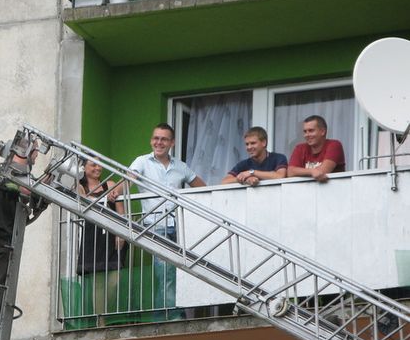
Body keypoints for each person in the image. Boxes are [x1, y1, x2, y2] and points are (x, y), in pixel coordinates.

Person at [127, 123, 206, 310]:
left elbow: (203, 187)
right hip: (156, 225)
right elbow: (128, 181)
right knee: (165, 272)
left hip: (180, 225)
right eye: (156, 138)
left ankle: (175, 312)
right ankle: (167, 315)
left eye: (163, 139)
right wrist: (117, 192)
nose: (158, 142)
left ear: (172, 142)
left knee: (183, 272)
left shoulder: (180, 166)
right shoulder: (142, 161)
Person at [0, 143, 47, 330]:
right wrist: (44, 186)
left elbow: (29, 200)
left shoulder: (8, 172)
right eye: (35, 151)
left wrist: (42, 193)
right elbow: (24, 191)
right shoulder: (11, 173)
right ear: (26, 151)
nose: (37, 156)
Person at [76, 159, 127, 315]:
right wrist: (104, 198)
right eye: (93, 165)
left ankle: (107, 313)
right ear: (84, 167)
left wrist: (121, 233)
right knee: (98, 283)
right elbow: (83, 205)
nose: (98, 168)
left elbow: (121, 212)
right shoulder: (79, 187)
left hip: (112, 236)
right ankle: (101, 321)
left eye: (99, 165)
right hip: (93, 237)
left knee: (114, 281)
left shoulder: (109, 185)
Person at [221, 126, 287, 186]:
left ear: (264, 142)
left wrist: (252, 173)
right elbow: (224, 181)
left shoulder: (278, 158)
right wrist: (245, 178)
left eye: (253, 143)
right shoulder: (244, 164)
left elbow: (280, 176)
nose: (249, 147)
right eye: (247, 144)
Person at [288, 115, 345, 182]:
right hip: (306, 191)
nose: (307, 135)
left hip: (334, 190)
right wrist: (312, 171)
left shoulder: (334, 145)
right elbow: (290, 172)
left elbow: (322, 171)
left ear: (323, 132)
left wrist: (302, 172)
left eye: (311, 131)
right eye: (305, 131)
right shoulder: (300, 148)